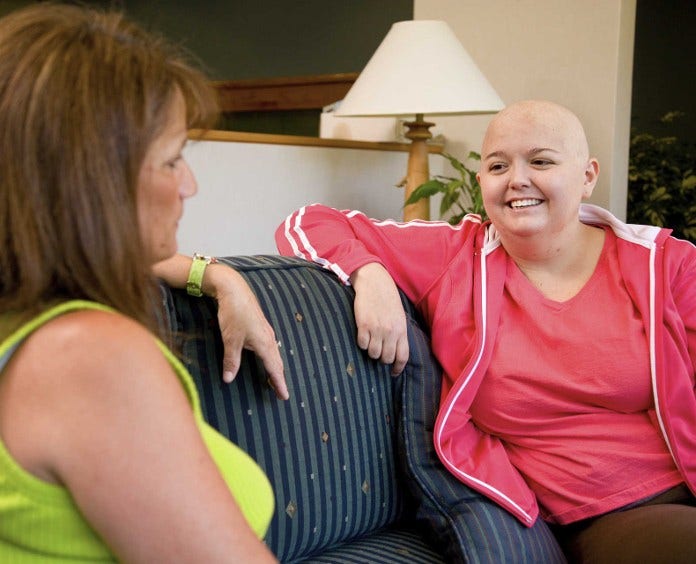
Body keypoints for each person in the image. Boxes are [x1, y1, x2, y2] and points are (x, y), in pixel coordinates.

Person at [275, 100, 696, 562]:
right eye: (499, 165)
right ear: (482, 182)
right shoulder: (455, 257)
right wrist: (367, 272)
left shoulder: (664, 265)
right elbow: (305, 222)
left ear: (587, 176)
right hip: (600, 519)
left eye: (541, 161)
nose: (517, 178)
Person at [0, 4, 286, 562]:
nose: (190, 186)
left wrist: (218, 276)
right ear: (90, 182)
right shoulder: (85, 357)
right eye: (172, 161)